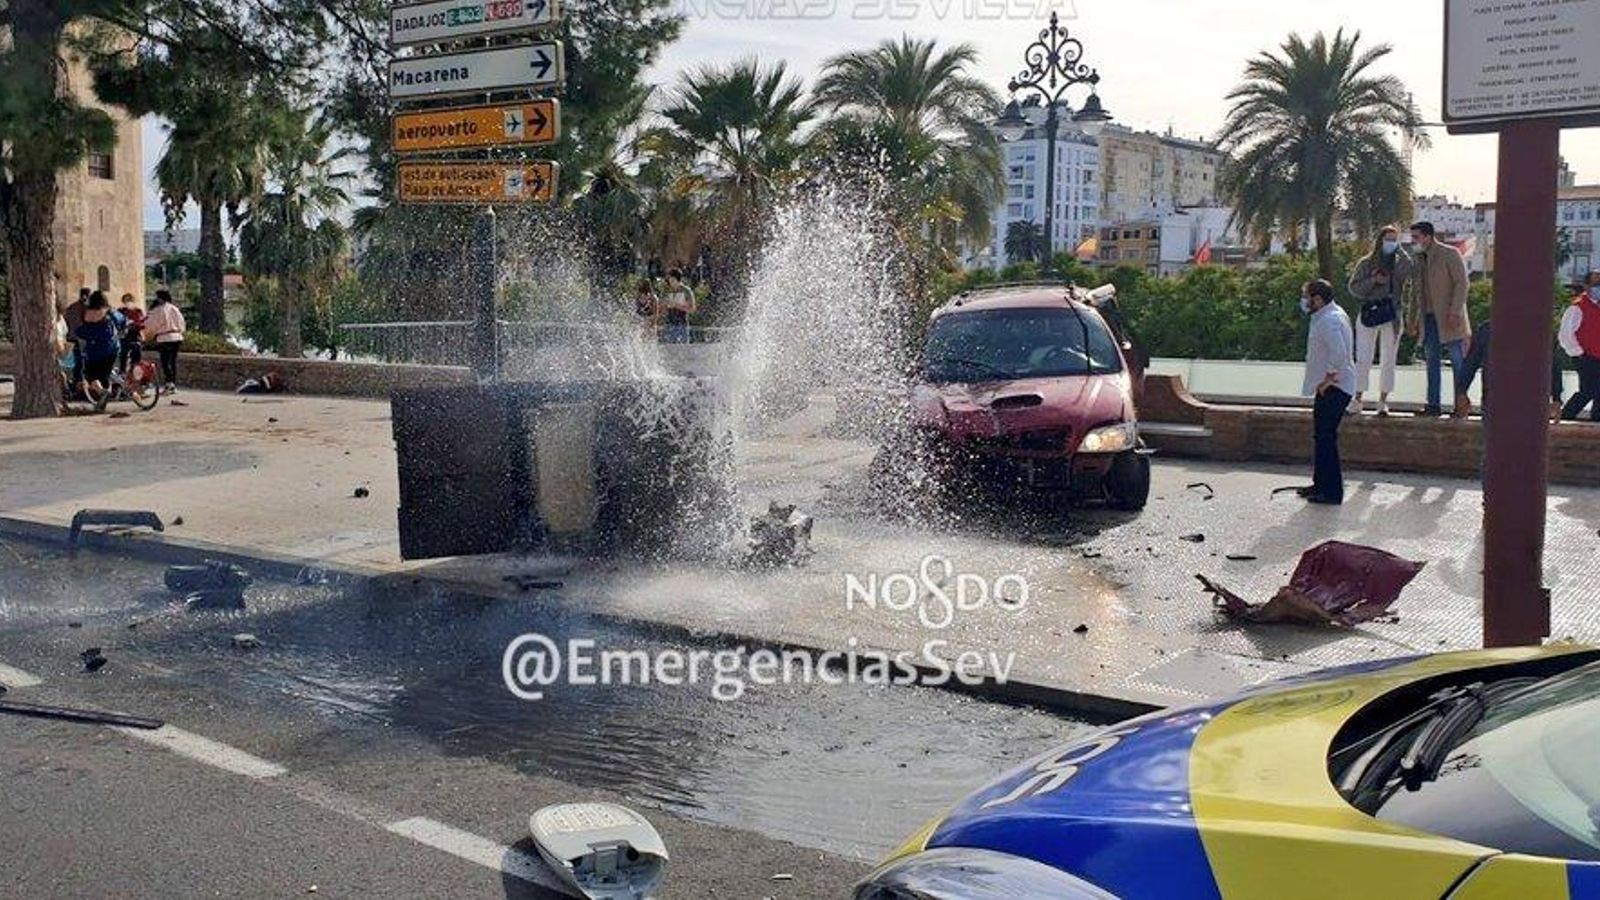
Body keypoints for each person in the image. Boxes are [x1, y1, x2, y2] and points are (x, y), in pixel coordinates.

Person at [1298, 279, 1357, 505]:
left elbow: (1340, 354)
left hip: (1335, 387)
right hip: (1330, 387)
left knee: (1326, 438)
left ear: (1318, 299)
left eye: (1307, 296)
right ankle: (1320, 484)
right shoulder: (1328, 315)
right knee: (1321, 438)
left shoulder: (1329, 320)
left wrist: (1329, 379)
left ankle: (1331, 492)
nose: (1304, 301)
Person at [1406, 221, 1472, 417]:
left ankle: (1460, 405)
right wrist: (1412, 320)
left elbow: (1462, 283)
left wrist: (1455, 311)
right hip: (1428, 318)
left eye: (1416, 237)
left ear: (1428, 236)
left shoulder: (1449, 253)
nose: (1414, 241)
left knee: (1457, 362)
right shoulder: (1418, 259)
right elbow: (1414, 292)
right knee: (1431, 360)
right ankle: (1433, 405)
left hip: (1450, 318)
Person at [1346, 225, 1412, 416]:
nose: (1390, 243)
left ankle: (1383, 400)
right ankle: (1357, 398)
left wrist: (1399, 251)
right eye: (1388, 239)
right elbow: (1354, 288)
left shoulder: (1398, 264)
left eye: (1394, 239)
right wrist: (1373, 280)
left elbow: (1410, 269)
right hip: (1370, 312)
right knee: (1363, 356)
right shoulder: (1366, 263)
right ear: (1379, 240)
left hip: (1392, 314)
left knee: (1389, 358)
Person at [1558, 270, 1600, 422]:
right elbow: (1565, 335)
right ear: (1586, 286)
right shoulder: (1577, 307)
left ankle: (1596, 423)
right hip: (1585, 357)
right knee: (1588, 390)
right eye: (1596, 284)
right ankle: (1565, 417)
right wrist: (1579, 353)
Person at [74, 290, 124, 403]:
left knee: (92, 376)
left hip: (94, 351)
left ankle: (102, 393)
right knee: (105, 373)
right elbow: (122, 321)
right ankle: (105, 393)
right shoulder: (110, 312)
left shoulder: (88, 314)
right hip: (112, 348)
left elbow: (83, 331)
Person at [143, 288, 187, 393]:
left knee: (166, 362)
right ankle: (173, 384)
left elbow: (151, 325)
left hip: (165, 338)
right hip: (177, 337)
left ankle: (169, 384)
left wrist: (147, 336)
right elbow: (182, 324)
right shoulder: (175, 309)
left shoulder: (159, 310)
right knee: (173, 362)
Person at [658, 268, 696, 345]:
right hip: (669, 324)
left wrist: (677, 306)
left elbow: (692, 309)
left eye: (671, 279)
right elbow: (661, 306)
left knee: (682, 348)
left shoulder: (686, 291)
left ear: (677, 279)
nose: (669, 281)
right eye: (669, 279)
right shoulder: (666, 290)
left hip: (682, 324)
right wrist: (664, 305)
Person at [117, 292, 146, 372]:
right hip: (125, 335)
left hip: (135, 334)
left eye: (129, 300)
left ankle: (134, 372)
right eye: (126, 300)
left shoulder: (138, 311)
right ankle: (123, 372)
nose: (128, 302)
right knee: (123, 355)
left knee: (136, 356)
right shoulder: (120, 311)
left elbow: (142, 323)